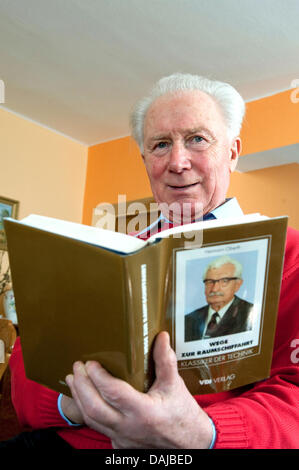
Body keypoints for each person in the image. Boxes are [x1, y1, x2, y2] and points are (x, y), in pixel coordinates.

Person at [6, 73, 299, 449]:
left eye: (197, 139)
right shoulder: (110, 251)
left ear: (232, 152)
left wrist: (198, 431)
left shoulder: (289, 252)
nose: (177, 161)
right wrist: (80, 403)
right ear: (145, 159)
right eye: (160, 145)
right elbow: (26, 364)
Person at [185, 255, 253, 341]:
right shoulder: (188, 319)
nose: (214, 289)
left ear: (237, 284)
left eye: (224, 281)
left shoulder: (250, 314)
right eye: (209, 282)